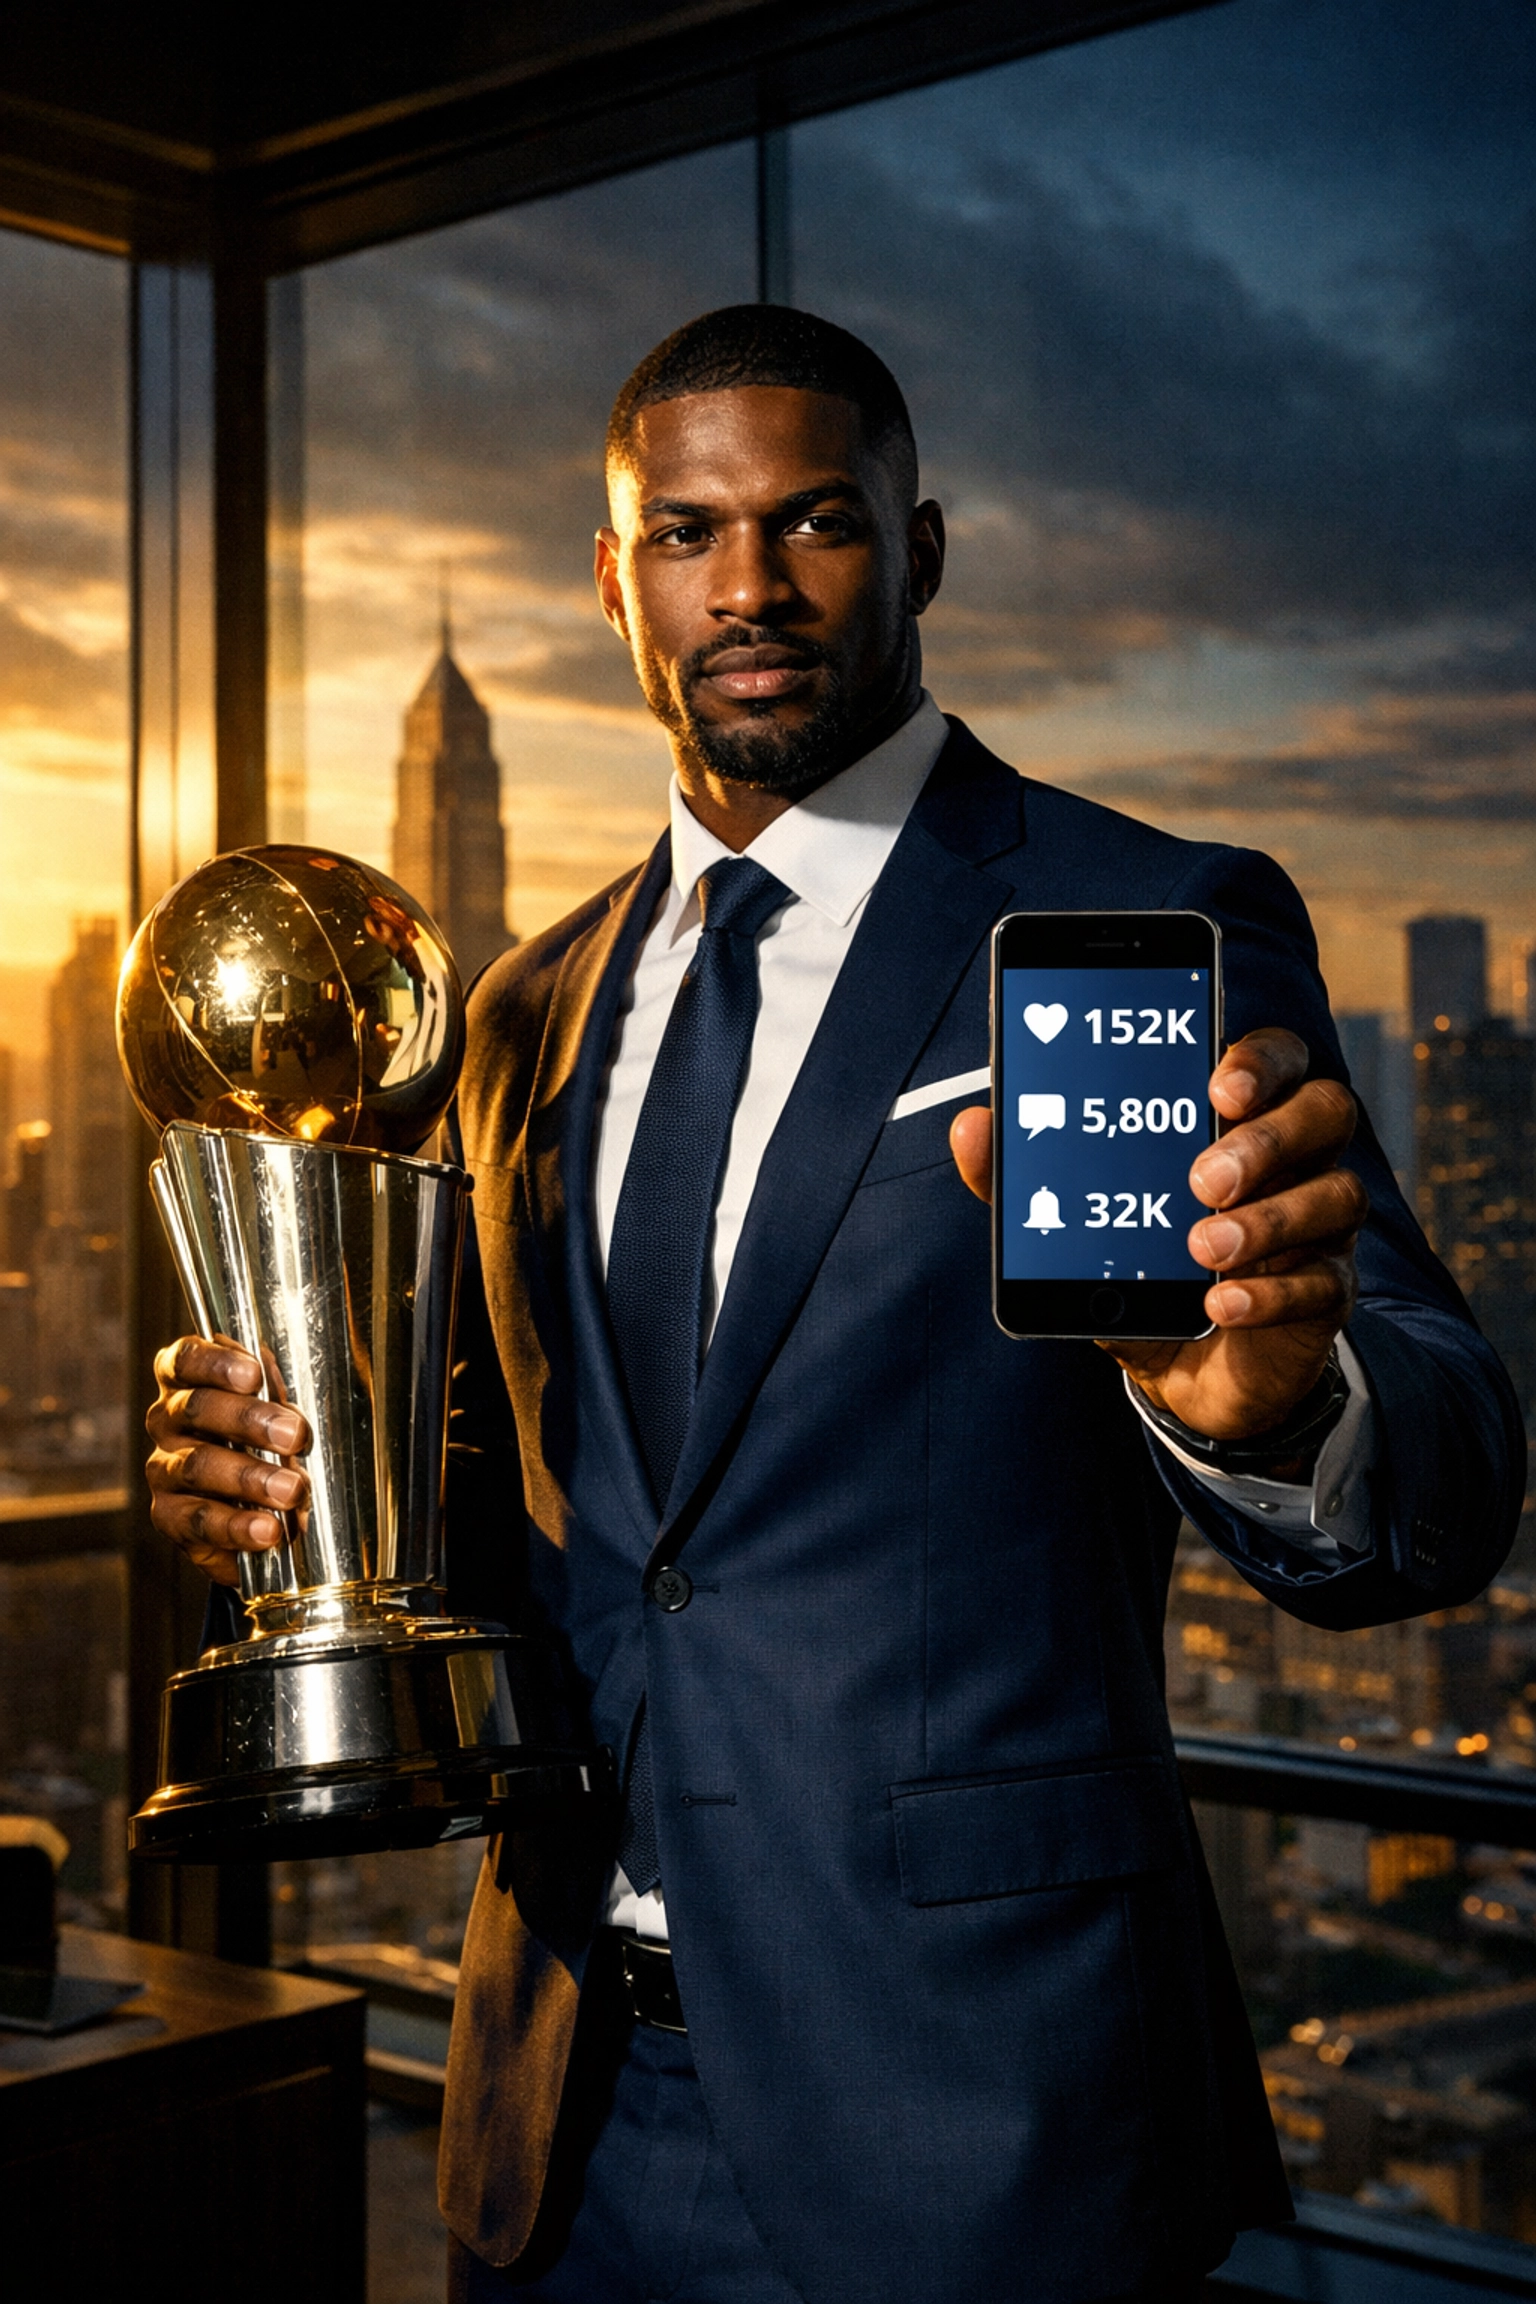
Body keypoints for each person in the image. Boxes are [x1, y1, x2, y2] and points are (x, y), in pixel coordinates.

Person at [145, 307, 1523, 2304]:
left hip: (980, 2133)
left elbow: (1451, 1469)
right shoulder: (515, 1016)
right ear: (613, 582)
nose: (751, 587)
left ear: (919, 549)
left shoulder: (1137, 914)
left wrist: (1277, 1413)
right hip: (559, 2128)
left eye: (816, 521)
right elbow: (555, 1540)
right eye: (687, 534)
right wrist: (289, 1504)